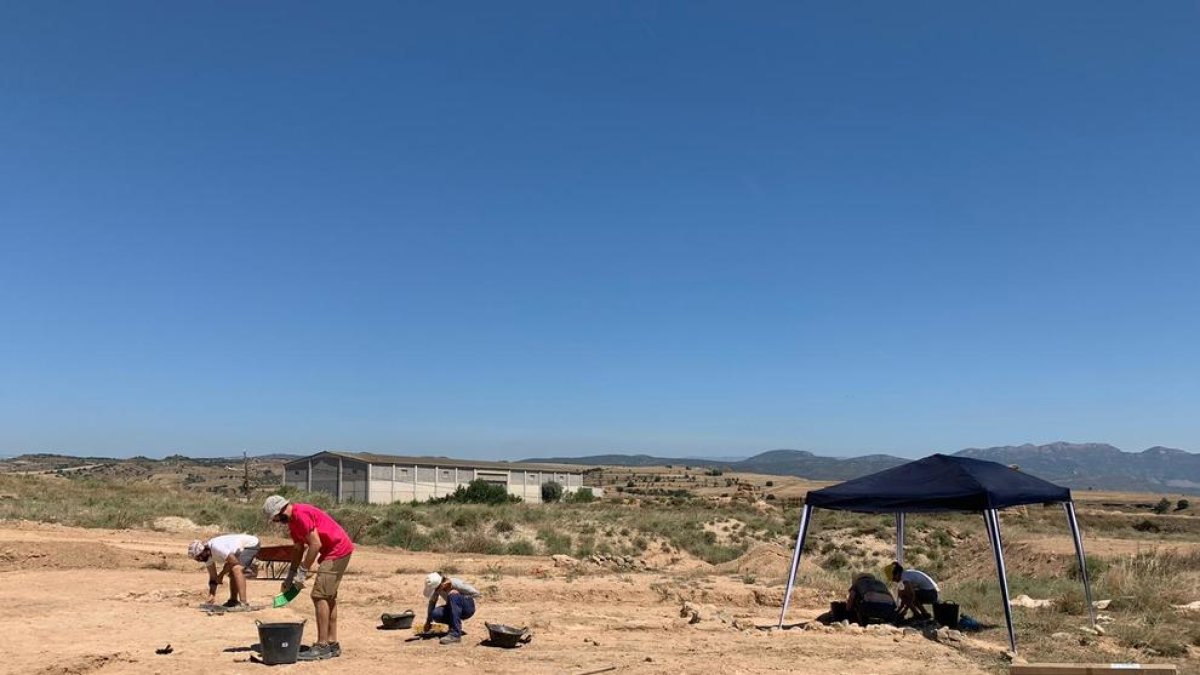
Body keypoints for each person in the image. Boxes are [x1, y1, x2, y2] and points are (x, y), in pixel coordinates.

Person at [263, 495, 354, 661]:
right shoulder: (293, 522)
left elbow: (315, 544)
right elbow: (298, 548)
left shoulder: (301, 514)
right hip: (333, 551)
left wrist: (303, 571)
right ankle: (332, 642)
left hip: (337, 550)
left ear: (279, 511)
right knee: (328, 597)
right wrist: (290, 576)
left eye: (275, 518)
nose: (277, 522)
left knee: (319, 596)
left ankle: (322, 645)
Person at [188, 533, 260, 611]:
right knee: (232, 571)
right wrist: (212, 594)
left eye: (199, 557)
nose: (199, 560)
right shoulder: (207, 556)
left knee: (236, 569)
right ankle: (233, 601)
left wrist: (221, 574)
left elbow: (234, 561)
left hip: (250, 544)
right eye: (197, 558)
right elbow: (213, 577)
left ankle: (244, 604)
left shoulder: (216, 547)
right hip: (237, 551)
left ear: (204, 550)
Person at [422, 572, 481, 645]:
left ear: (441, 585)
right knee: (436, 613)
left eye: (436, 589)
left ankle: (455, 634)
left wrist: (460, 595)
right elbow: (432, 603)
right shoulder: (437, 589)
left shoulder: (455, 583)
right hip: (454, 610)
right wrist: (428, 622)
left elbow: (477, 594)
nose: (436, 591)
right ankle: (455, 626)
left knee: (453, 595)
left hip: (468, 609)